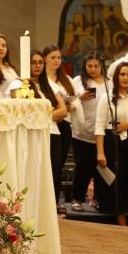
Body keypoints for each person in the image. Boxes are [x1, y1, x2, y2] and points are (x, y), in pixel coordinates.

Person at [94, 62, 128, 227]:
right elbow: (99, 126)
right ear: (116, 76)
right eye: (122, 74)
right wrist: (100, 152)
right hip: (113, 142)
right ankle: (121, 221)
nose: (125, 78)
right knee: (118, 181)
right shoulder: (107, 98)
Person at [40, 45, 79, 215]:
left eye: (59, 57)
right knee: (49, 165)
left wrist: (69, 106)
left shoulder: (66, 79)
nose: (57, 60)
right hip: (50, 122)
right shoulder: (43, 80)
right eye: (53, 57)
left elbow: (75, 103)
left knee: (59, 165)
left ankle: (56, 201)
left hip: (65, 123)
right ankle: (48, 203)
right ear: (45, 59)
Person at [69, 52, 106, 212]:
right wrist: (80, 97)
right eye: (89, 66)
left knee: (100, 168)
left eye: (96, 66)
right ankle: (77, 198)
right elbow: (69, 101)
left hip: (102, 132)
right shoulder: (78, 81)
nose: (93, 69)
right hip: (82, 132)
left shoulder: (109, 83)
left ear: (102, 66)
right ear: (84, 66)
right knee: (83, 167)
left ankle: (97, 198)